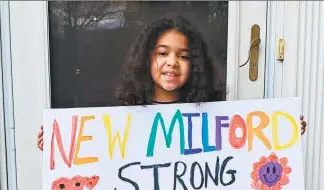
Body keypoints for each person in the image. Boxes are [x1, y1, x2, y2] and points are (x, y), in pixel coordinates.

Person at [37, 16, 307, 150]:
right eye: (162, 53)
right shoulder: (122, 120)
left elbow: (243, 155)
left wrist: (283, 130)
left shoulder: (212, 119)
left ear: (197, 64)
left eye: (184, 55)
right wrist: (59, 144)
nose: (172, 63)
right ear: (146, 58)